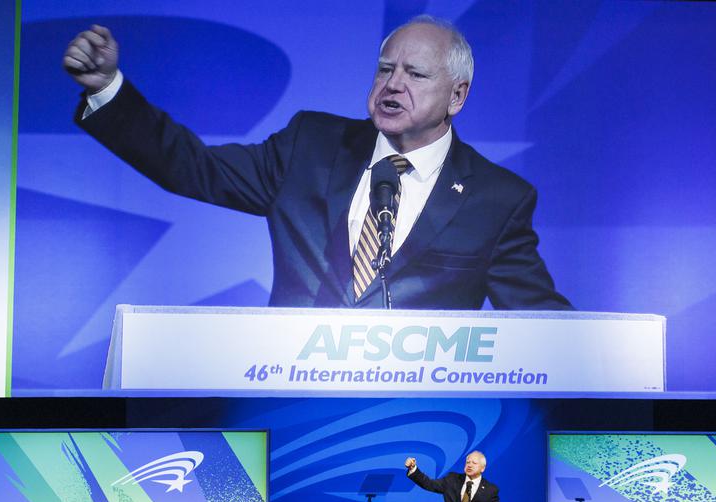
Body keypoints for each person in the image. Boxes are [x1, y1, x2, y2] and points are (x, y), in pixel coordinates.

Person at [62, 16, 572, 310]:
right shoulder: (312, 145)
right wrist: (109, 89)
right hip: (290, 409)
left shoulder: (497, 197)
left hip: (420, 424)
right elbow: (192, 168)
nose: (393, 85)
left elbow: (537, 322)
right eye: (384, 69)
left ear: (457, 96)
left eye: (414, 74)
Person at [404, 451, 503, 502]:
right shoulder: (452, 479)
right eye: (468, 462)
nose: (469, 465)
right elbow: (429, 484)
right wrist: (413, 469)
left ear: (483, 468)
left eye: (474, 463)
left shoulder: (490, 490)